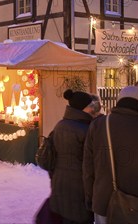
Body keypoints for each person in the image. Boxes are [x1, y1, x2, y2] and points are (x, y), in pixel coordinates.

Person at [83, 85, 138, 223]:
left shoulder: (98, 125)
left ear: (118, 100)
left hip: (103, 200)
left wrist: (90, 197)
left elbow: (88, 167)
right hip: (135, 205)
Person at [48, 90, 95, 224]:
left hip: (59, 180)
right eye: (89, 105)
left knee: (65, 216)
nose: (92, 107)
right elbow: (90, 162)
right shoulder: (86, 129)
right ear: (82, 107)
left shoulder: (60, 125)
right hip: (79, 184)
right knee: (78, 217)